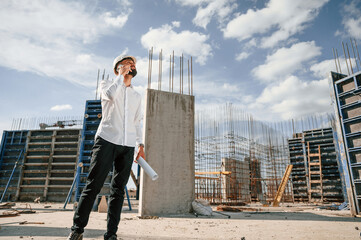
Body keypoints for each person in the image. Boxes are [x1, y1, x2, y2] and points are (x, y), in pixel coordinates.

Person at [67, 55, 145, 240]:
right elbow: (110, 95)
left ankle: (111, 234)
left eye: (132, 64)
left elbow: (137, 122)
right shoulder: (107, 84)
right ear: (118, 67)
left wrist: (140, 145)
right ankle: (77, 230)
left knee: (118, 191)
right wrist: (120, 76)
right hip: (106, 140)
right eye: (126, 63)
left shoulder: (136, 95)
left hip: (127, 146)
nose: (131, 66)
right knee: (93, 185)